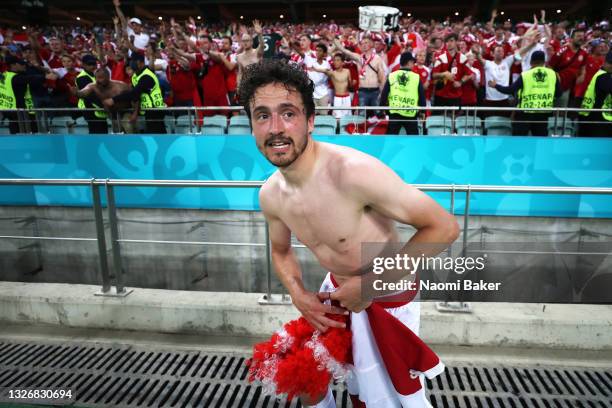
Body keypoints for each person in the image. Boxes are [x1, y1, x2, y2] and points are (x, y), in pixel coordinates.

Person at [239, 59, 459, 408]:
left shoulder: (353, 173)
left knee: (384, 401)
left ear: (311, 121)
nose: (276, 128)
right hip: (336, 295)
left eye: (288, 113)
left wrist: (369, 286)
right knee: (310, 381)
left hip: (387, 298)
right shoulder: (271, 194)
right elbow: (281, 252)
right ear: (251, 126)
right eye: (262, 115)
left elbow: (444, 227)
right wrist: (298, 293)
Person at [490, 50, 561, 136]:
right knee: (540, 142)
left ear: (531, 62)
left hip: (525, 113)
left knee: (520, 141)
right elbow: (558, 94)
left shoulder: (525, 75)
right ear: (544, 62)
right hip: (543, 113)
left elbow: (510, 90)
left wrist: (496, 85)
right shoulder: (553, 74)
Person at [104, 53, 166, 133]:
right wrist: (135, 112)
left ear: (141, 63)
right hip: (146, 110)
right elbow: (136, 97)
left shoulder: (147, 76)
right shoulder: (135, 76)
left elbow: (134, 93)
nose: (132, 63)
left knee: (158, 135)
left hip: (155, 110)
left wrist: (113, 100)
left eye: (135, 61)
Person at [71, 68, 134, 133]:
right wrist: (76, 93)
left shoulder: (120, 86)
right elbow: (83, 93)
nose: (98, 80)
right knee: (118, 133)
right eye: (96, 78)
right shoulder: (93, 86)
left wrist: (134, 114)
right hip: (113, 115)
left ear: (108, 77)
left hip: (126, 112)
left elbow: (135, 97)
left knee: (129, 128)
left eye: (100, 78)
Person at [0, 55, 51, 133]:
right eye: (21, 64)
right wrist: (46, 76)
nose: (24, 66)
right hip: (18, 110)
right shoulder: (16, 78)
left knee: (15, 131)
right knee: (30, 131)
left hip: (7, 109)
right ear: (13, 65)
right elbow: (30, 79)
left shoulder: (4, 75)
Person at [380, 52, 425, 135]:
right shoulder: (416, 77)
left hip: (395, 113)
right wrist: (422, 111)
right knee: (413, 140)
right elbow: (422, 96)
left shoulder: (392, 75)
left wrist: (382, 108)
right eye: (413, 62)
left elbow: (384, 94)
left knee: (391, 140)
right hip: (410, 113)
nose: (414, 64)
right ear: (409, 62)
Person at [578, 50, 612, 137]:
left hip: (591, 114)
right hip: (598, 118)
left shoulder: (602, 74)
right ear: (605, 63)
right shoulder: (603, 76)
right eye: (610, 63)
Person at [310, 53, 352, 119]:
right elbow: (324, 70)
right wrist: (315, 69)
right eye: (334, 60)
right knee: (337, 118)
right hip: (337, 98)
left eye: (338, 60)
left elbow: (350, 85)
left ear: (342, 62)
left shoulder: (347, 71)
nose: (335, 62)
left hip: (347, 97)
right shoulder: (332, 73)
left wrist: (352, 83)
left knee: (348, 118)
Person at [76, 54, 108, 133]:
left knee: (103, 132)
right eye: (89, 64)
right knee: (96, 133)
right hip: (89, 108)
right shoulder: (82, 78)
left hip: (99, 108)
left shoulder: (96, 74)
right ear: (83, 65)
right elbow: (90, 96)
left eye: (94, 64)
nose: (93, 66)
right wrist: (105, 105)